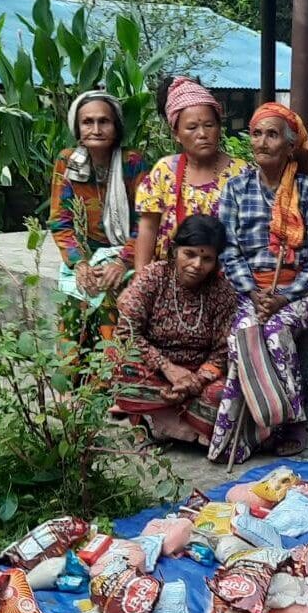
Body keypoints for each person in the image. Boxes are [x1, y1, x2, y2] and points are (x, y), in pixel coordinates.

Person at [209, 103, 308, 464]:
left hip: (298, 292)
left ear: (290, 146)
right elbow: (227, 250)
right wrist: (253, 292)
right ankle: (248, 433)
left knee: (275, 333)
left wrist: (282, 296)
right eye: (257, 134)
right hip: (251, 292)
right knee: (245, 332)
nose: (262, 142)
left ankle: (292, 420)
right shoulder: (235, 190)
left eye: (272, 135)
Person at [112, 215, 237, 445]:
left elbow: (221, 352)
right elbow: (126, 331)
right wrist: (167, 368)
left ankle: (160, 419)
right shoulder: (153, 277)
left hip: (196, 376)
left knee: (222, 395)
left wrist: (193, 382)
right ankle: (177, 424)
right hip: (154, 369)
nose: (197, 265)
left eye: (207, 259)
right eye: (189, 254)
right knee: (119, 362)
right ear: (174, 251)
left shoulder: (222, 293)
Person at [49, 91, 149, 347]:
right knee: (72, 310)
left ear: (116, 127)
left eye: (104, 121)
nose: (96, 129)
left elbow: (146, 223)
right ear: (77, 128)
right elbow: (61, 221)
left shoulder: (132, 163)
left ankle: (109, 379)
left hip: (126, 255)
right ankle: (71, 384)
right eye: (87, 122)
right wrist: (80, 264)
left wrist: (121, 262)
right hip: (86, 256)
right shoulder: (67, 162)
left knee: (109, 305)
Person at [134, 77, 248, 270]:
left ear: (219, 127)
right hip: (171, 283)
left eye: (209, 125)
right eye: (192, 127)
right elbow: (148, 229)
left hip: (227, 283)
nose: (202, 134)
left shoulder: (242, 173)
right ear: (176, 133)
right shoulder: (164, 171)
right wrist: (141, 282)